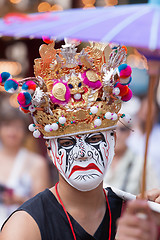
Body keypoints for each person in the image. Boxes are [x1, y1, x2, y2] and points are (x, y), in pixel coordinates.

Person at [0, 39, 159, 240]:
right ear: (49, 149)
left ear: (113, 140)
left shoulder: (136, 217)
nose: (82, 153)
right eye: (67, 143)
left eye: (93, 139)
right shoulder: (25, 228)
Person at [0, 102, 51, 228]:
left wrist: (19, 200)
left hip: (23, 228)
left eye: (17, 127)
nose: (12, 132)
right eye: (7, 126)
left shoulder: (37, 163)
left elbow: (42, 207)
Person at [103, 120, 159, 195]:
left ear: (129, 132)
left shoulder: (142, 162)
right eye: (112, 130)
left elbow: (154, 196)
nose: (117, 134)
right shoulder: (96, 160)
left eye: (122, 129)